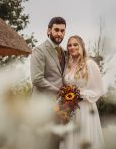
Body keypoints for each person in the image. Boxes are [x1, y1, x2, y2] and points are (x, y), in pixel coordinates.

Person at [60, 35, 104, 149]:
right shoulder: (67, 66)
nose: (72, 47)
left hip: (85, 109)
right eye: (69, 45)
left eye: (75, 44)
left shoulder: (90, 64)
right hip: (69, 109)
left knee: (83, 138)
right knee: (70, 138)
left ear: (81, 46)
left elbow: (98, 89)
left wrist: (79, 94)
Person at [30, 17, 66, 149]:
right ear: (48, 30)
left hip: (59, 108)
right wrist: (60, 91)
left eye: (62, 31)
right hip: (42, 107)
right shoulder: (39, 51)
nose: (59, 34)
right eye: (56, 30)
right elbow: (37, 79)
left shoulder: (63, 52)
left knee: (55, 143)